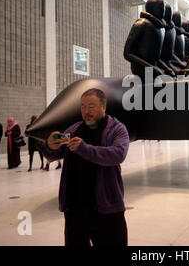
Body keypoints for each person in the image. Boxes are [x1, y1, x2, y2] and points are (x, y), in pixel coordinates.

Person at [42, 88, 130, 246]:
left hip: (106, 210)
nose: (86, 111)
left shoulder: (117, 129)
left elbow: (118, 154)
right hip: (75, 210)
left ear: (104, 107)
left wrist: (85, 148)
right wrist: (49, 146)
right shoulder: (73, 130)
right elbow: (52, 155)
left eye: (91, 106)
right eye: (83, 106)